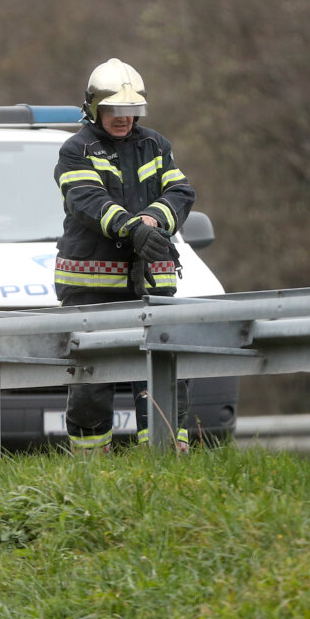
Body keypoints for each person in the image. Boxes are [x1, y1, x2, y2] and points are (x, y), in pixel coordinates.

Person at [53, 58, 195, 453]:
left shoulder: (155, 145)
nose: (123, 118)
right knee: (91, 385)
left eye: (131, 110)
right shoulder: (76, 149)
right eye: (115, 109)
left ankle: (167, 457)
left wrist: (152, 219)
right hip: (91, 287)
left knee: (163, 374)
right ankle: (92, 464)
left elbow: (180, 192)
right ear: (95, 108)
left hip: (151, 284)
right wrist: (132, 230)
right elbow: (87, 200)